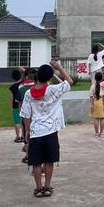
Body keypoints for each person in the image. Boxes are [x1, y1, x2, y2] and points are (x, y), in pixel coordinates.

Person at [20, 60, 73, 198]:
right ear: (49, 77)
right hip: (50, 131)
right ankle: (47, 186)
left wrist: (26, 131)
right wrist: (59, 67)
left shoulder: (28, 94)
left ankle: (38, 188)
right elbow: (69, 81)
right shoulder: (53, 90)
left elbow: (26, 115)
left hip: (36, 131)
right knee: (49, 160)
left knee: (36, 162)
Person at [17, 68, 37, 163]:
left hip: (26, 116)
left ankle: (28, 156)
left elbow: (20, 103)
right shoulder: (39, 86)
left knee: (27, 134)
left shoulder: (21, 87)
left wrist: (21, 114)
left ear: (26, 76)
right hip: (38, 116)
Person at [9, 71, 23, 143]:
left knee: (17, 122)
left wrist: (11, 108)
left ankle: (18, 137)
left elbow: (11, 98)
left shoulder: (12, 87)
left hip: (15, 106)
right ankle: (23, 136)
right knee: (24, 122)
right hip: (24, 106)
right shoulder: (23, 84)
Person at [89, 72, 104, 137]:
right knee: (102, 118)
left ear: (95, 78)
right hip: (101, 102)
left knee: (96, 118)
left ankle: (96, 133)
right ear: (101, 79)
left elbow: (91, 96)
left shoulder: (92, 86)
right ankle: (102, 133)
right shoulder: (103, 85)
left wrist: (92, 104)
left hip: (95, 102)